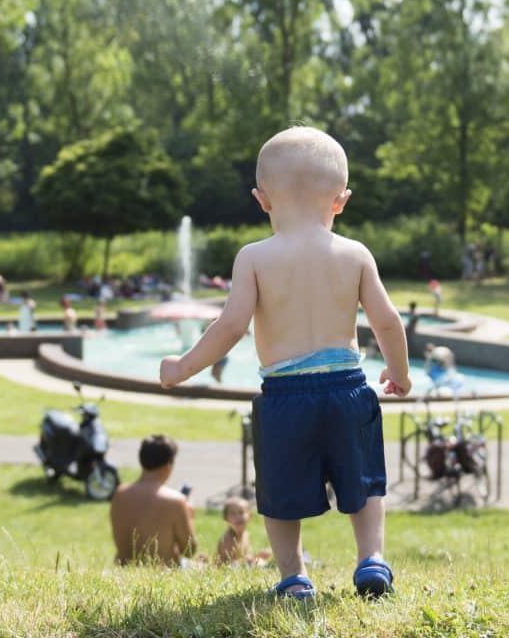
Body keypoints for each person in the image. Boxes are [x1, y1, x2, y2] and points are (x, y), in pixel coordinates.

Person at [160, 126, 411, 600]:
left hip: (285, 396)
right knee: (363, 481)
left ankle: (294, 575)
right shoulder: (355, 254)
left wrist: (182, 367)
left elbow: (229, 328)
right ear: (341, 201)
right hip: (349, 388)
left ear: (262, 200)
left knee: (280, 493)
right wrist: (399, 374)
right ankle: (371, 559)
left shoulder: (254, 258)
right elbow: (387, 321)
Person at [110, 434, 196, 565]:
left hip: (124, 568)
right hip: (163, 571)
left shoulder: (119, 494)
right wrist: (189, 515)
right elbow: (189, 551)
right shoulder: (175, 501)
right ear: (169, 464)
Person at [216, 496, 270, 566]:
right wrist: (255, 557)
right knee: (259, 563)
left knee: (262, 562)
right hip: (229, 567)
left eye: (241, 512)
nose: (238, 516)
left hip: (240, 565)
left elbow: (244, 556)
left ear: (250, 516)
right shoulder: (227, 539)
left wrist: (256, 555)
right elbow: (228, 563)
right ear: (226, 518)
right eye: (233, 513)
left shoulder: (246, 535)